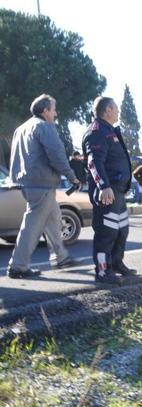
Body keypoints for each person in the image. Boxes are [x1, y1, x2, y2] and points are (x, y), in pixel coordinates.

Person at [6, 94, 83, 278]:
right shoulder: (44, 127)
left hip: (29, 184)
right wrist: (72, 177)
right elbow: (57, 155)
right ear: (45, 110)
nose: (56, 113)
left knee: (54, 217)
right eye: (54, 109)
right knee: (31, 226)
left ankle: (60, 257)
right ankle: (17, 266)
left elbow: (14, 157)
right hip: (42, 185)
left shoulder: (21, 129)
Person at [83, 96, 136, 283]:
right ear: (107, 110)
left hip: (118, 191)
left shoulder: (109, 130)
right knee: (107, 232)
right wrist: (104, 186)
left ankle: (116, 263)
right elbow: (93, 162)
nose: (119, 111)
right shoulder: (97, 132)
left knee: (121, 230)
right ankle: (103, 271)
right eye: (116, 108)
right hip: (107, 191)